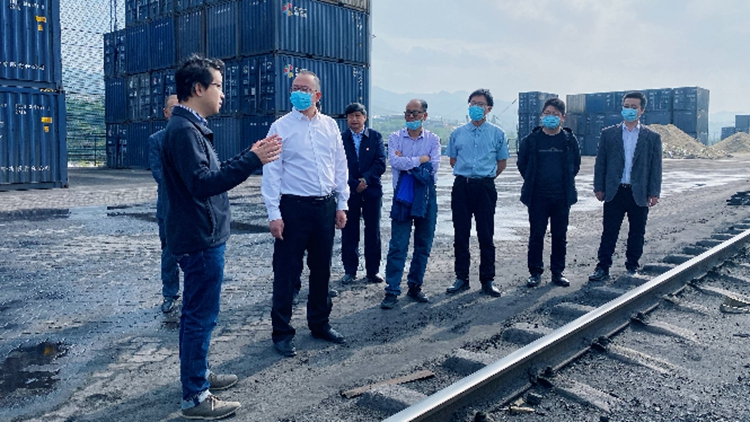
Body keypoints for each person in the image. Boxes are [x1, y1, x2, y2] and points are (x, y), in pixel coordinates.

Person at [161, 54, 282, 420]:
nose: (223, 94)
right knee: (200, 316)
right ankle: (195, 396)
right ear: (198, 88)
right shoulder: (185, 131)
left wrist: (250, 155)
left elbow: (209, 174)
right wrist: (253, 160)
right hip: (200, 238)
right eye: (218, 86)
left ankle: (198, 374)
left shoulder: (189, 127)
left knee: (196, 315)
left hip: (200, 234)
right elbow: (202, 183)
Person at [261, 70, 350, 358]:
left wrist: (342, 204)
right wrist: (274, 213)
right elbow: (272, 172)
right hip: (293, 208)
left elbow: (340, 166)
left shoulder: (330, 126)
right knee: (287, 272)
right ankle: (282, 332)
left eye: (304, 89)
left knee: (322, 269)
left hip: (324, 207)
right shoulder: (280, 127)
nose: (298, 93)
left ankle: (320, 323)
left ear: (317, 95)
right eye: (294, 88)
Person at [589, 91, 662, 282]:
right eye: (626, 106)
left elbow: (656, 167)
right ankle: (603, 267)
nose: (629, 110)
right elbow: (601, 163)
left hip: (639, 192)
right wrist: (599, 187)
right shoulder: (609, 134)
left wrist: (654, 192)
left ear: (642, 110)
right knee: (609, 231)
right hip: (615, 191)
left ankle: (632, 266)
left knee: (637, 232)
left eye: (634, 107)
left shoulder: (651, 137)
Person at [444, 89, 508, 297]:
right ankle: (461, 278)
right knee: (461, 234)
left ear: (489, 109)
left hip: (485, 187)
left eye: (480, 104)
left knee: (486, 235)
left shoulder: (497, 134)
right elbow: (453, 160)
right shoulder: (458, 133)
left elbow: (501, 163)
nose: (475, 108)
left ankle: (487, 280)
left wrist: (485, 177)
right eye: (472, 104)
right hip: (462, 186)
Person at [380, 99, 441, 309]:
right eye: (407, 113)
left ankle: (415, 285)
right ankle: (392, 289)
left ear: (424, 115)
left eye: (415, 113)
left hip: (426, 196)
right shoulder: (395, 137)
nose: (411, 117)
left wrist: (408, 162)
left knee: (423, 243)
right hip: (403, 196)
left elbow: (432, 168)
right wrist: (420, 160)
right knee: (398, 244)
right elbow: (394, 162)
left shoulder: (433, 139)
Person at [517, 97, 581, 288]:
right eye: (547, 113)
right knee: (536, 235)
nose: (550, 117)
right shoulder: (531, 140)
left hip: (562, 196)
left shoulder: (569, 140)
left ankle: (557, 272)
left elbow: (575, 165)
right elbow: (523, 164)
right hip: (537, 196)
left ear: (563, 117)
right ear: (541, 116)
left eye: (555, 114)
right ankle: (535, 272)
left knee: (560, 235)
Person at [339, 102, 386, 285]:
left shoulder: (375, 137)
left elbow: (380, 162)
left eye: (358, 116)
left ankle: (373, 271)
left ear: (365, 118)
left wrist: (365, 180)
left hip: (371, 191)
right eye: (351, 116)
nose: (354, 119)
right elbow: (337, 165)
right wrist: (353, 183)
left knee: (372, 231)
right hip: (349, 192)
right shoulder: (341, 138)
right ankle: (350, 271)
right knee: (349, 232)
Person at [148, 94, 182, 313]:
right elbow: (158, 173)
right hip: (168, 207)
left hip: (193, 207)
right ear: (166, 113)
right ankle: (170, 294)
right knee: (169, 252)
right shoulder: (156, 140)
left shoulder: (197, 135)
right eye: (173, 108)